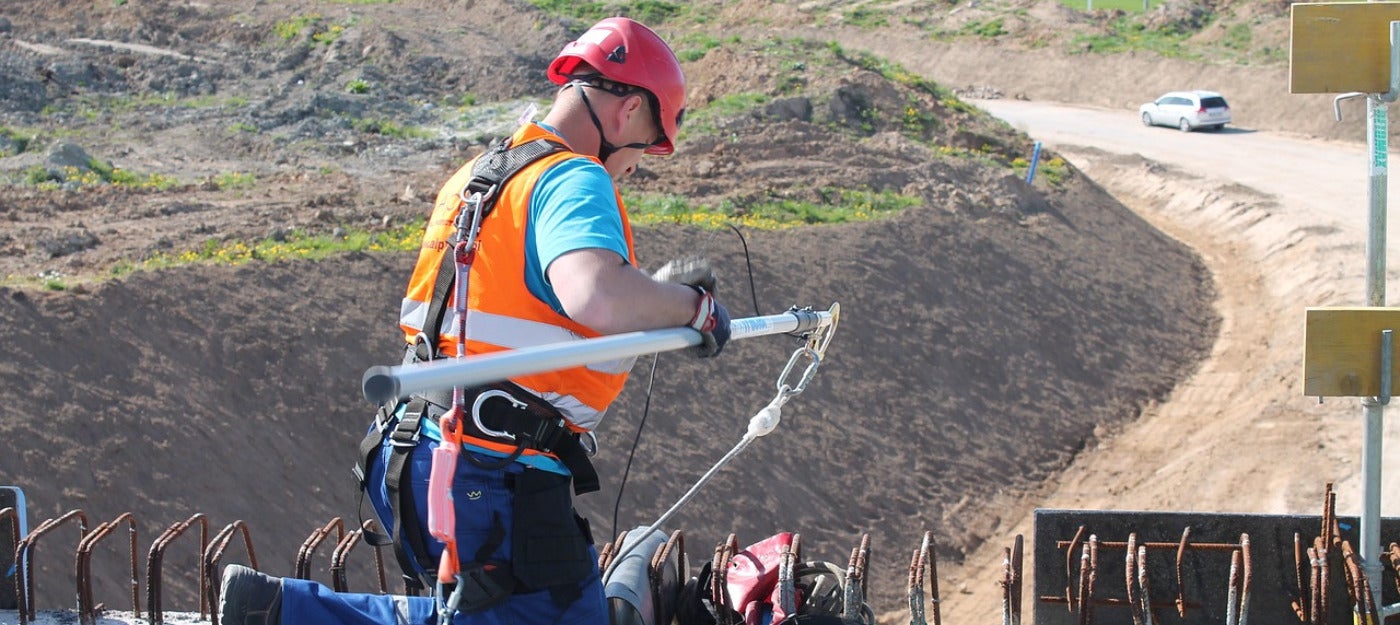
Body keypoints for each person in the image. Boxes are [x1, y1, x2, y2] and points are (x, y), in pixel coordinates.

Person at [217, 16, 731, 625]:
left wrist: (652, 295)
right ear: (625, 115)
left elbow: (521, 300)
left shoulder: (481, 176)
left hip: (416, 449)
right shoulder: (573, 176)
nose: (638, 164)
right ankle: (291, 614)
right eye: (648, 143)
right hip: (489, 470)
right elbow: (594, 295)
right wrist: (694, 308)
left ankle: (277, 610)